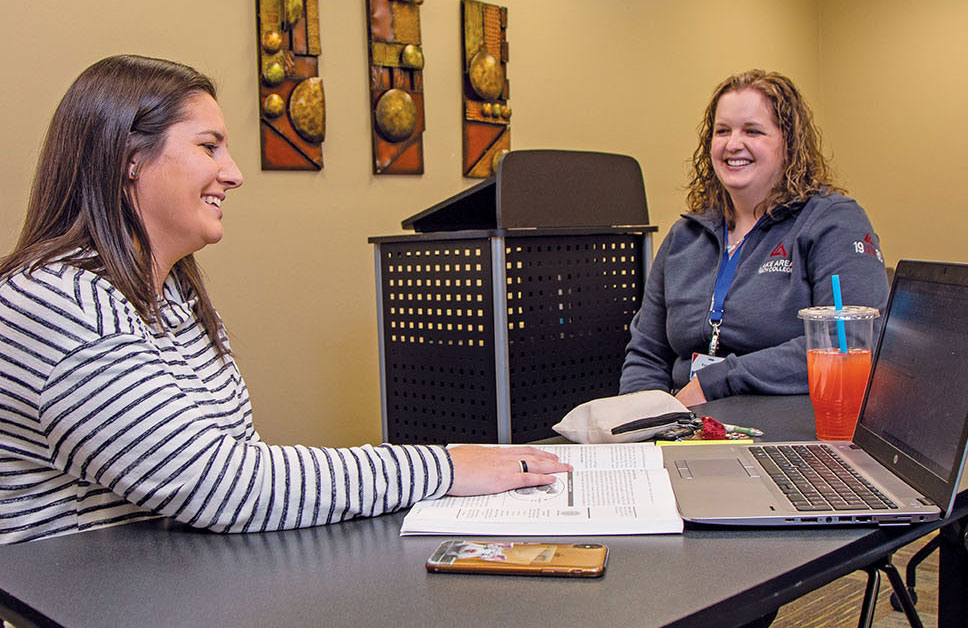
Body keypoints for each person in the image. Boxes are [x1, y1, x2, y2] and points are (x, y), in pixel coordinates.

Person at [0, 54, 569, 545]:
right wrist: (445, 466)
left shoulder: (176, 296)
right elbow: (222, 486)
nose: (234, 173)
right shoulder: (56, 301)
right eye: (209, 147)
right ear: (129, 158)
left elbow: (240, 468)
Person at [620, 70, 889, 406]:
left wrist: (715, 382)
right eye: (722, 131)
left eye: (753, 131)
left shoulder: (832, 222)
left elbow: (850, 339)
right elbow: (647, 351)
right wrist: (642, 420)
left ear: (788, 143)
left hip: (783, 425)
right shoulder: (685, 237)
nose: (733, 144)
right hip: (685, 425)